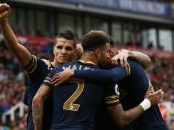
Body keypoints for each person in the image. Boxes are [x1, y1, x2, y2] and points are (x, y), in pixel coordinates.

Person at [32, 31, 163, 130]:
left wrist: (73, 71)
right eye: (107, 52)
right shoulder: (103, 76)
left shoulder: (59, 70)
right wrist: (148, 102)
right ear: (99, 52)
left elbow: (37, 100)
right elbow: (121, 119)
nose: (109, 55)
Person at [0, 3, 77, 130]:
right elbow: (16, 47)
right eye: (59, 47)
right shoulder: (41, 67)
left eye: (68, 48)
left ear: (74, 52)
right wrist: (3, 22)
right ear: (53, 49)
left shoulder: (76, 73)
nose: (63, 51)